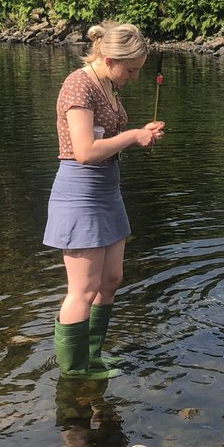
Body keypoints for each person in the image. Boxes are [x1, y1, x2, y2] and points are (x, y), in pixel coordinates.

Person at [44, 22, 165, 378]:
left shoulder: (108, 83)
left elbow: (108, 138)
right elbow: (83, 151)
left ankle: (92, 355)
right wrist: (131, 136)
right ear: (109, 59)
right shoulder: (78, 85)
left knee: (111, 279)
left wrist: (140, 134)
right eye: (131, 70)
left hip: (108, 189)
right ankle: (73, 371)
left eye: (139, 70)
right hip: (80, 192)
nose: (134, 77)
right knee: (82, 289)